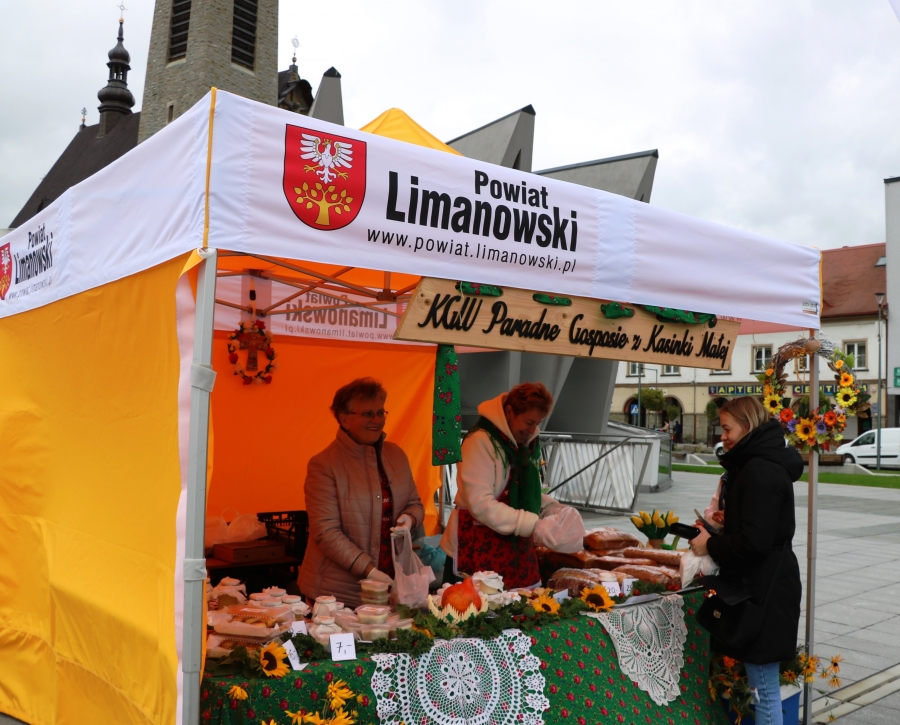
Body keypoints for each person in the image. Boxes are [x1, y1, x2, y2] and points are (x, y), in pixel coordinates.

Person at [689, 397, 803, 725]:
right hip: (765, 584)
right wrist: (732, 522)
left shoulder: (759, 469)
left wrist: (710, 544)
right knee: (762, 686)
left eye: (727, 429)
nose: (722, 436)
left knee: (764, 690)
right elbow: (763, 528)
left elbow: (755, 543)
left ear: (748, 426)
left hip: (765, 591)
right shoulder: (759, 463)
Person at [440, 382, 583, 589]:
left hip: (516, 549)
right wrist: (533, 524)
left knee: (524, 604)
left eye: (537, 423)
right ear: (509, 412)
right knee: (482, 606)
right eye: (529, 422)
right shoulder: (480, 441)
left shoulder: (524, 442)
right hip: (477, 545)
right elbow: (481, 504)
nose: (532, 430)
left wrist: (551, 508)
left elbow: (524, 490)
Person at [298, 378, 424, 607]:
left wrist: (410, 519)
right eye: (367, 414)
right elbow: (326, 532)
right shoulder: (324, 465)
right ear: (344, 419)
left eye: (380, 412)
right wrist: (369, 571)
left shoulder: (396, 455)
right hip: (337, 594)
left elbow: (414, 503)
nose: (377, 420)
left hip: (390, 586)